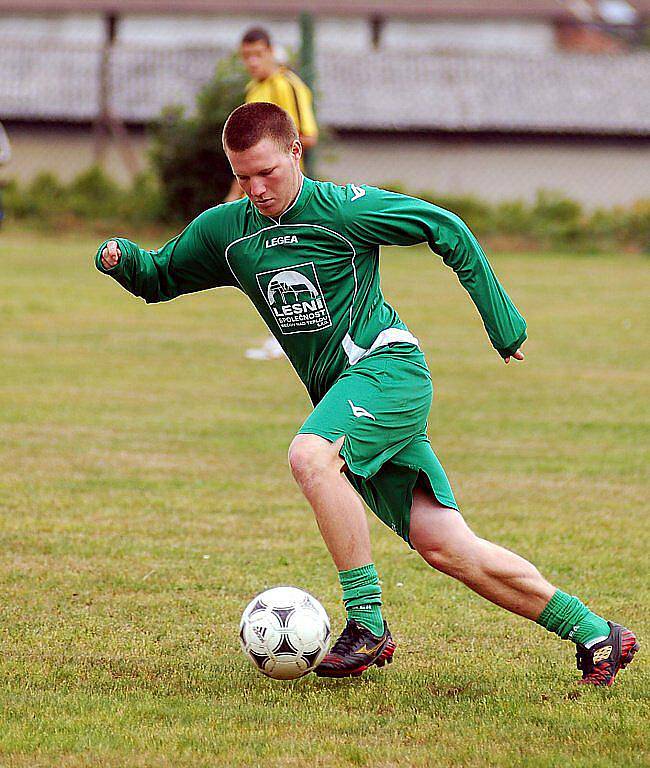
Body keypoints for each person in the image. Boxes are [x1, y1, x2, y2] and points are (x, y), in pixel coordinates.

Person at [96, 102, 638, 685]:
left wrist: (502, 324)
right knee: (447, 547)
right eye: (243, 175)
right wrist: (120, 259)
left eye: (268, 172)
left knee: (310, 455)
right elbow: (160, 276)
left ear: (296, 152)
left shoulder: (343, 210)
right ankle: (594, 633)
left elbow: (445, 228)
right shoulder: (227, 233)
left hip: (388, 371)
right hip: (347, 394)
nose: (255, 188)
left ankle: (367, 623)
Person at [224, 27, 319, 360]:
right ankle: (286, 333)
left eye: (257, 54)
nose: (252, 62)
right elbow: (248, 154)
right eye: (246, 56)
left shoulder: (286, 85)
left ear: (271, 52)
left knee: (291, 262)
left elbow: (306, 136)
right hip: (260, 194)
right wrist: (237, 190)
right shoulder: (254, 90)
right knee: (267, 261)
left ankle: (295, 336)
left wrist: (272, 156)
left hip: (289, 193)